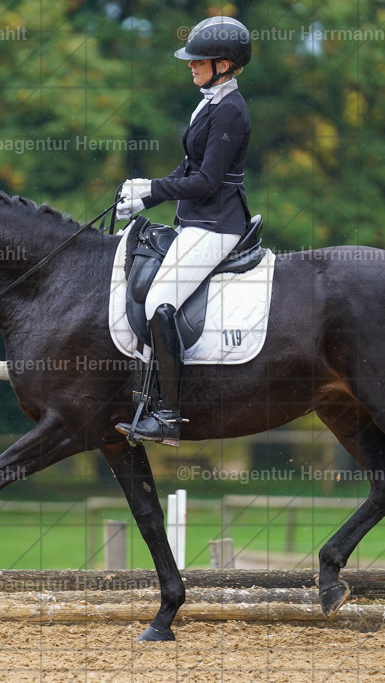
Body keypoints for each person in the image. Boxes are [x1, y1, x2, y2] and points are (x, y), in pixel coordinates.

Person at [115, 16, 252, 446]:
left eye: (200, 60)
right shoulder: (210, 101)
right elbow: (189, 168)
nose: (191, 66)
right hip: (196, 220)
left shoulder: (230, 109)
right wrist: (146, 195)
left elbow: (208, 181)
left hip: (218, 224)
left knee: (160, 301)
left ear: (224, 64)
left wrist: (154, 189)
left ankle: (169, 417)